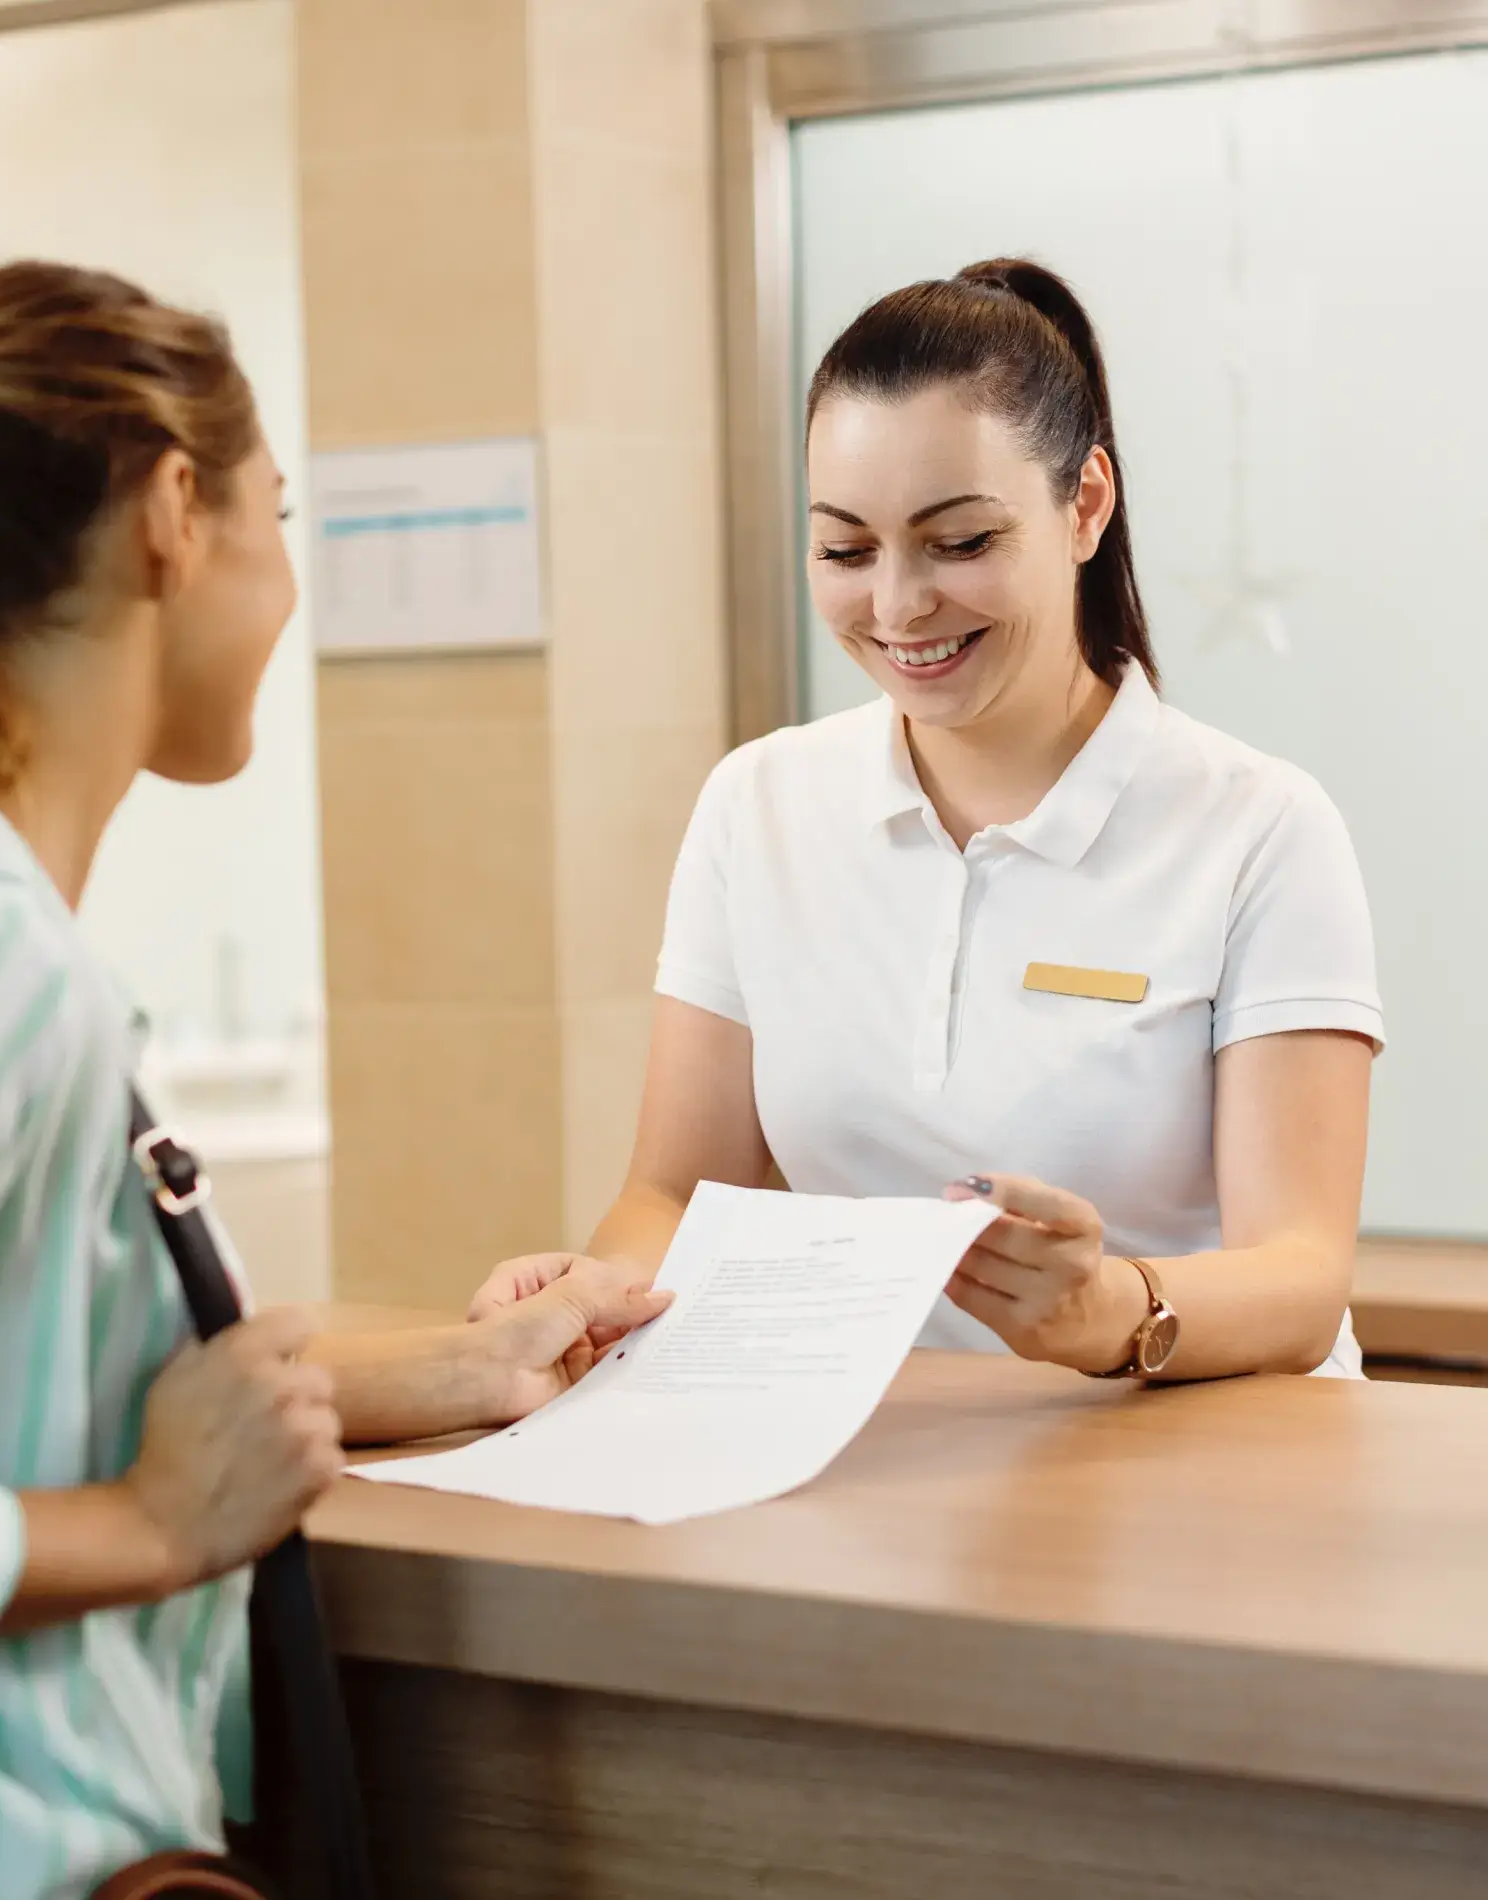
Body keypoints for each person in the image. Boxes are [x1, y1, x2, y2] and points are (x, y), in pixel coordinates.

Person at [0, 261, 667, 1900]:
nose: (290, 582)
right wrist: (146, 1532)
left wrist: (451, 1371)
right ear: (169, 514)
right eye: (275, 516)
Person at [473, 258, 1381, 1384]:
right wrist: (591, 1299)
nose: (898, 606)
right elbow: (676, 1194)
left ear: (1084, 504)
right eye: (846, 550)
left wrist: (1115, 1311)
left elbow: (1300, 1275)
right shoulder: (757, 807)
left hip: (1210, 1461)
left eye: (960, 543)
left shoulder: (1259, 829)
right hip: (884, 1461)